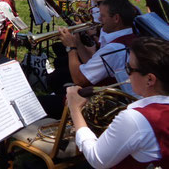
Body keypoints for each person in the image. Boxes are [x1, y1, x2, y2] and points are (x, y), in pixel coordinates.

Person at [67, 37, 169, 168]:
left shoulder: (135, 119)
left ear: (150, 79)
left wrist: (75, 109)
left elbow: (96, 159)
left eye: (129, 69)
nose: (127, 74)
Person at [58, 0, 138, 88]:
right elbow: (91, 64)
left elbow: (79, 80)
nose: (99, 19)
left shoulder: (113, 49)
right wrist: (77, 43)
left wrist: (71, 47)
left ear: (116, 18)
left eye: (103, 16)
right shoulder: (131, 38)